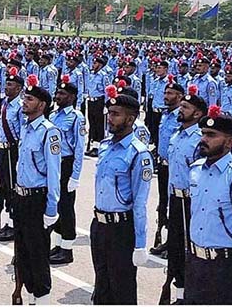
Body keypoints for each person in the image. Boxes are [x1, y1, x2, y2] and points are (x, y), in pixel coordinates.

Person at [184, 106, 232, 305]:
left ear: (229, 142)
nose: (203, 139)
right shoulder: (195, 171)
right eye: (203, 134)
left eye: (211, 135)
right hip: (195, 262)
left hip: (224, 267)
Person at [90, 85, 153, 305]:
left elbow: (140, 202)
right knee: (101, 285)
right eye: (110, 113)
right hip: (99, 224)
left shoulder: (138, 153)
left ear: (131, 119)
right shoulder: (106, 146)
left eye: (116, 114)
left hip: (121, 229)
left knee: (122, 289)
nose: (110, 118)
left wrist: (140, 243)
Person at [11, 74, 62, 305]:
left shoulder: (49, 132)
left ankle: (41, 299)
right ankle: (30, 296)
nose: (24, 102)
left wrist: (51, 209)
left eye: (29, 99)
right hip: (21, 197)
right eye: (25, 98)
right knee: (22, 253)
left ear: (41, 105)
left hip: (37, 200)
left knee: (38, 253)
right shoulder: (26, 127)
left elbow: (54, 174)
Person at [162, 84, 207, 304]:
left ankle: (192, 295)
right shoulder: (177, 135)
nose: (181, 110)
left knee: (192, 250)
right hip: (175, 197)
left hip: (191, 201)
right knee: (177, 249)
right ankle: (180, 294)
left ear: (198, 114)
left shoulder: (200, 138)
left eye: (186, 107)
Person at [48, 75, 86, 264]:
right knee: (55, 203)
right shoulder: (53, 115)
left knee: (66, 206)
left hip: (66, 164)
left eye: (62, 93)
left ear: (71, 97)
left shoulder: (76, 117)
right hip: (53, 164)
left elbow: (79, 148)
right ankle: (58, 244)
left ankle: (67, 249)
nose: (58, 96)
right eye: (57, 92)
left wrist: (75, 176)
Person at [152, 74, 184, 257]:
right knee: (163, 203)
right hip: (163, 165)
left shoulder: (180, 116)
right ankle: (165, 239)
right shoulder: (165, 115)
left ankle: (174, 245)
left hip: (175, 167)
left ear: (179, 96)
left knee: (175, 206)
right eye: (165, 92)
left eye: (170, 93)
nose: (166, 96)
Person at [0, 67, 24, 242]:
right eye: (6, 83)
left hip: (13, 150)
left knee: (12, 187)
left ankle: (13, 224)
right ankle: (4, 221)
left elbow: (22, 132)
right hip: (1, 149)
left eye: (10, 85)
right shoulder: (4, 102)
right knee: (4, 186)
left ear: (19, 88)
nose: (6, 87)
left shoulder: (19, 107)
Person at [85, 56, 108, 157]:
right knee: (92, 124)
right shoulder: (91, 75)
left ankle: (98, 148)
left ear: (100, 65)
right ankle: (92, 146)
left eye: (95, 63)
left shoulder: (104, 76)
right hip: (91, 101)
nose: (93, 65)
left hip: (99, 102)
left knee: (99, 126)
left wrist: (106, 105)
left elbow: (107, 91)